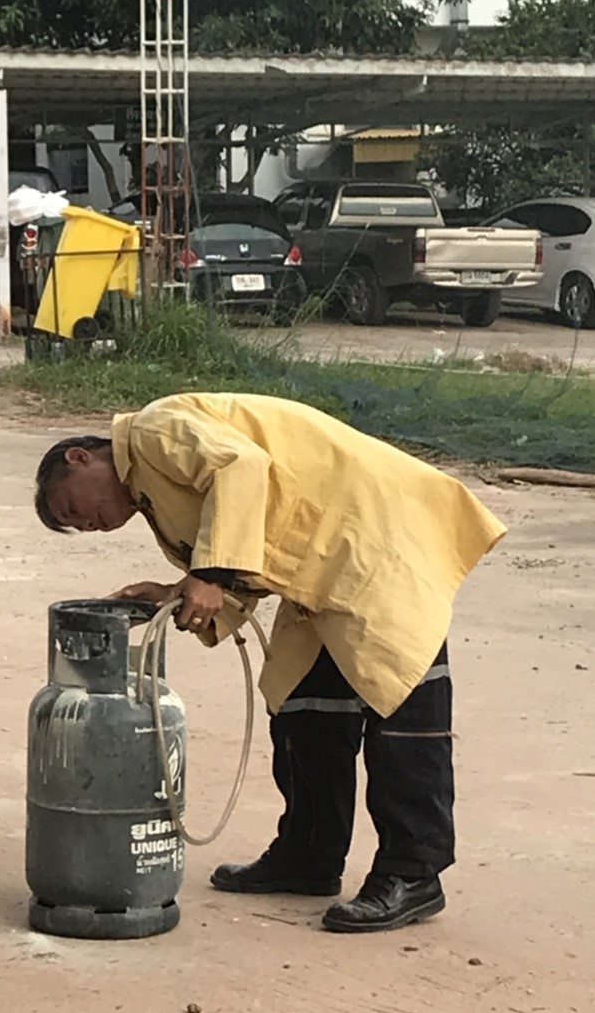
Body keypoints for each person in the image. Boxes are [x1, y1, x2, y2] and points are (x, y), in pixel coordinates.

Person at [33, 392, 506, 934]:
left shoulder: (152, 431)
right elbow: (243, 550)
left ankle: (413, 871)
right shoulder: (153, 496)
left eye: (72, 509)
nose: (87, 524)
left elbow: (240, 467)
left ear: (79, 457)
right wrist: (178, 591)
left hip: (375, 536)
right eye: (78, 528)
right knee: (300, 701)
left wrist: (209, 574)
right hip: (319, 570)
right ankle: (309, 854)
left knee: (401, 703)